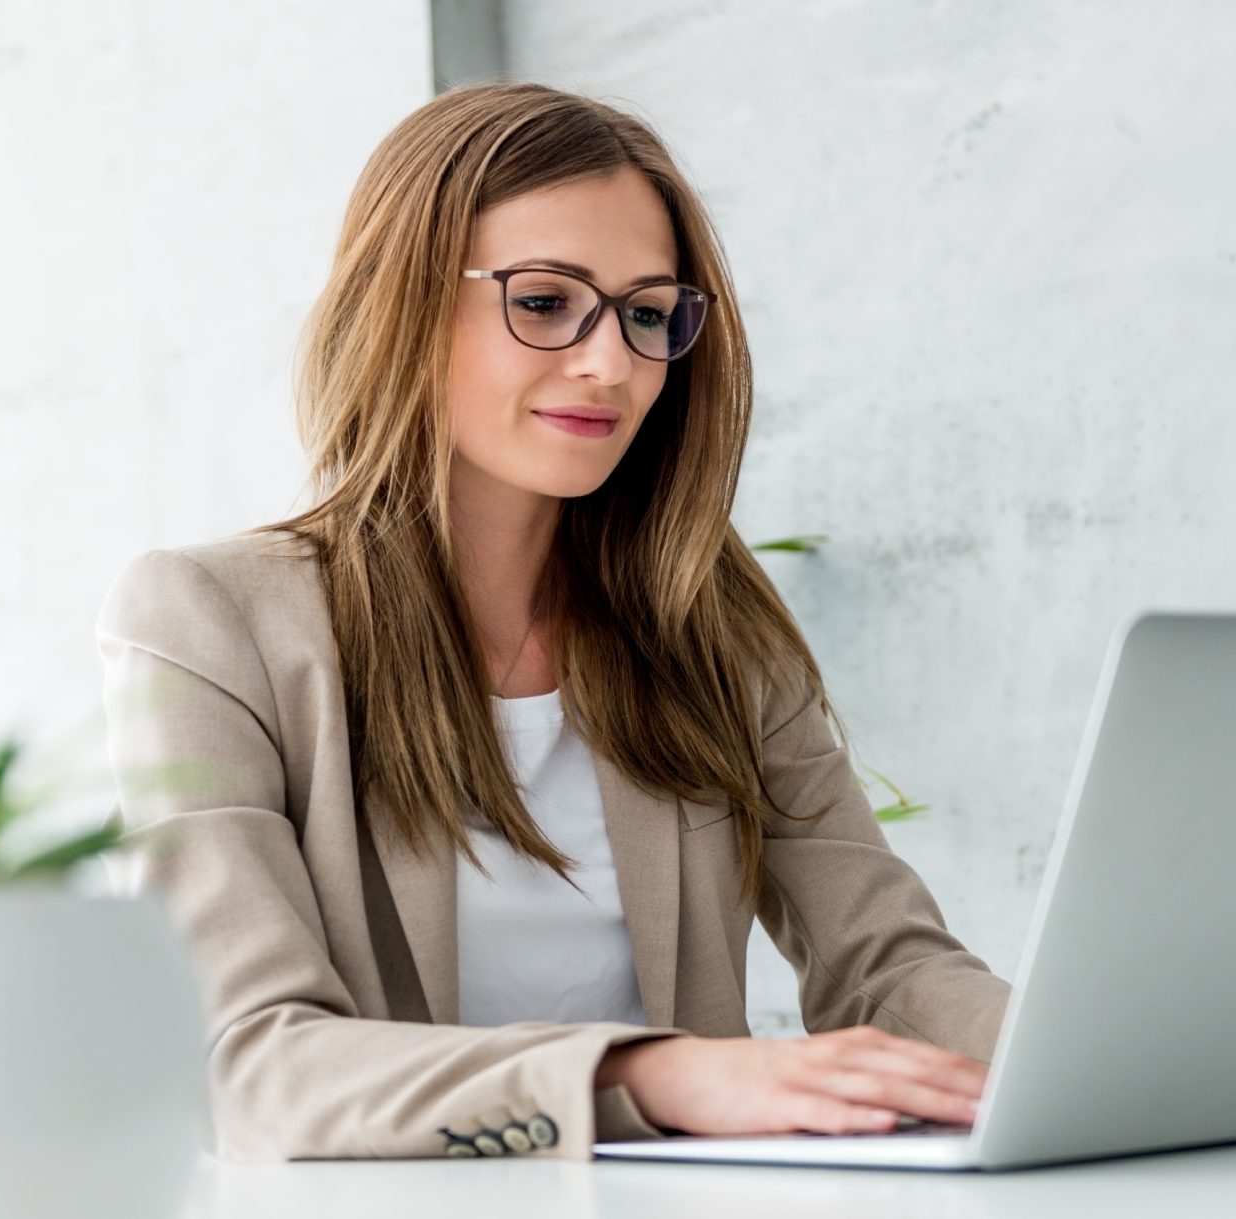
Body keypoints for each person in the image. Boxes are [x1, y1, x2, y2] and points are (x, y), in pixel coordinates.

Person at [94, 81, 1009, 1163]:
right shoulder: (207, 622)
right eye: (541, 301)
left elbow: (887, 965)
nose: (608, 363)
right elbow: (248, 1067)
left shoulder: (704, 619)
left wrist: (1076, 1060)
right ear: (400, 302)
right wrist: (641, 1072)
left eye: (645, 312)